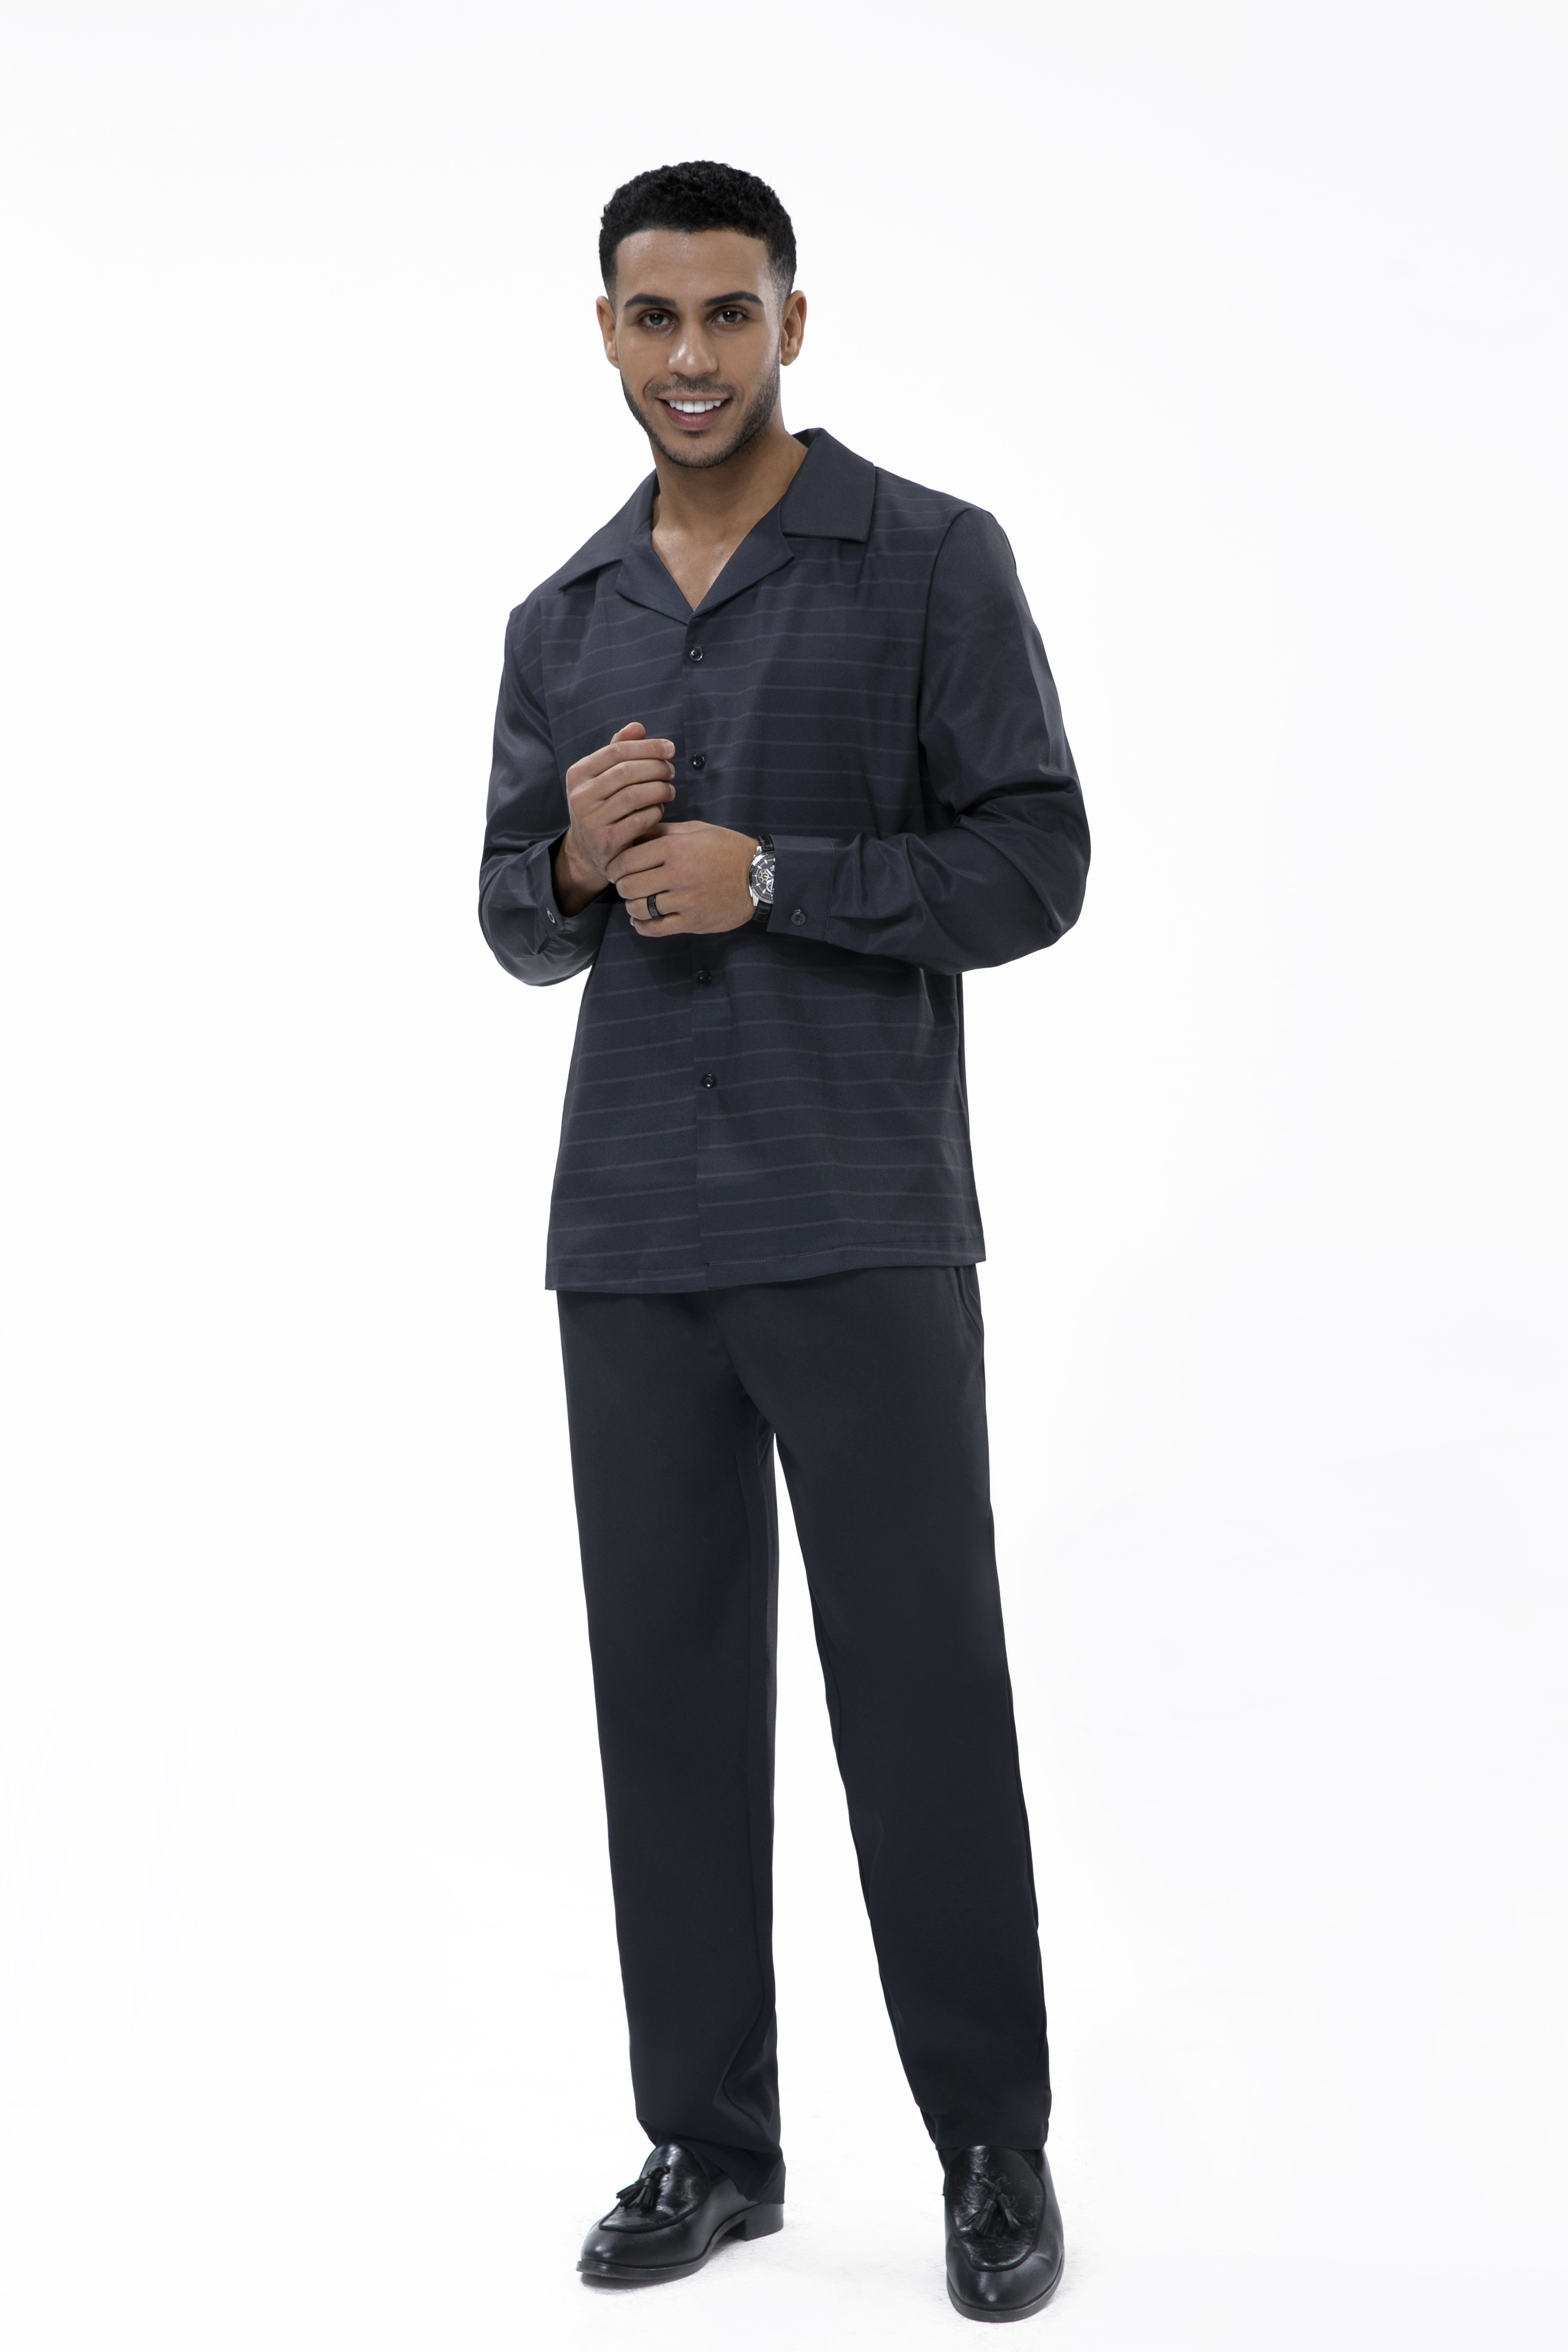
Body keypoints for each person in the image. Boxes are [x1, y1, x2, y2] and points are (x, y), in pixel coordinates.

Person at [478, 159, 1089, 2324]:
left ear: (791, 323)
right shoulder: (562, 619)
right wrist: (572, 867)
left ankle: (992, 2150)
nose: (692, 357)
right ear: (608, 333)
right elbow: (510, 920)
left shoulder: (929, 557)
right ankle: (709, 2148)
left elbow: (1037, 864)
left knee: (920, 1692)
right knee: (666, 1697)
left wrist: (784, 879)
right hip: (631, 1234)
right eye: (654, 318)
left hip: (858, 1214)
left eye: (729, 314)